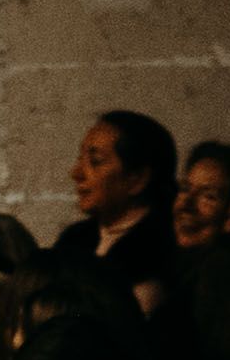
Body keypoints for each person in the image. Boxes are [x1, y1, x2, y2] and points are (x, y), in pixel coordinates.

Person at [57, 111, 182, 317]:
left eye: (95, 161)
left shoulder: (158, 249)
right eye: (81, 158)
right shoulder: (74, 240)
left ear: (137, 178)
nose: (77, 173)